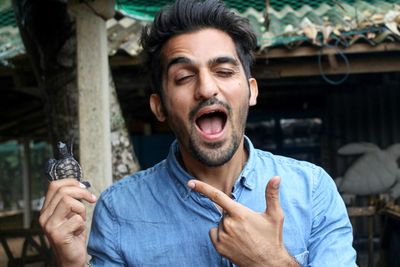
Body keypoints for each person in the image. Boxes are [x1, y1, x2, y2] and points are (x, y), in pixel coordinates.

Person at [39, 0, 357, 266]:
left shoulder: (312, 191)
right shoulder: (119, 211)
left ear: (251, 91)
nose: (206, 88)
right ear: (159, 106)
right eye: (184, 76)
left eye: (223, 71)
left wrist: (270, 260)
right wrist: (71, 264)